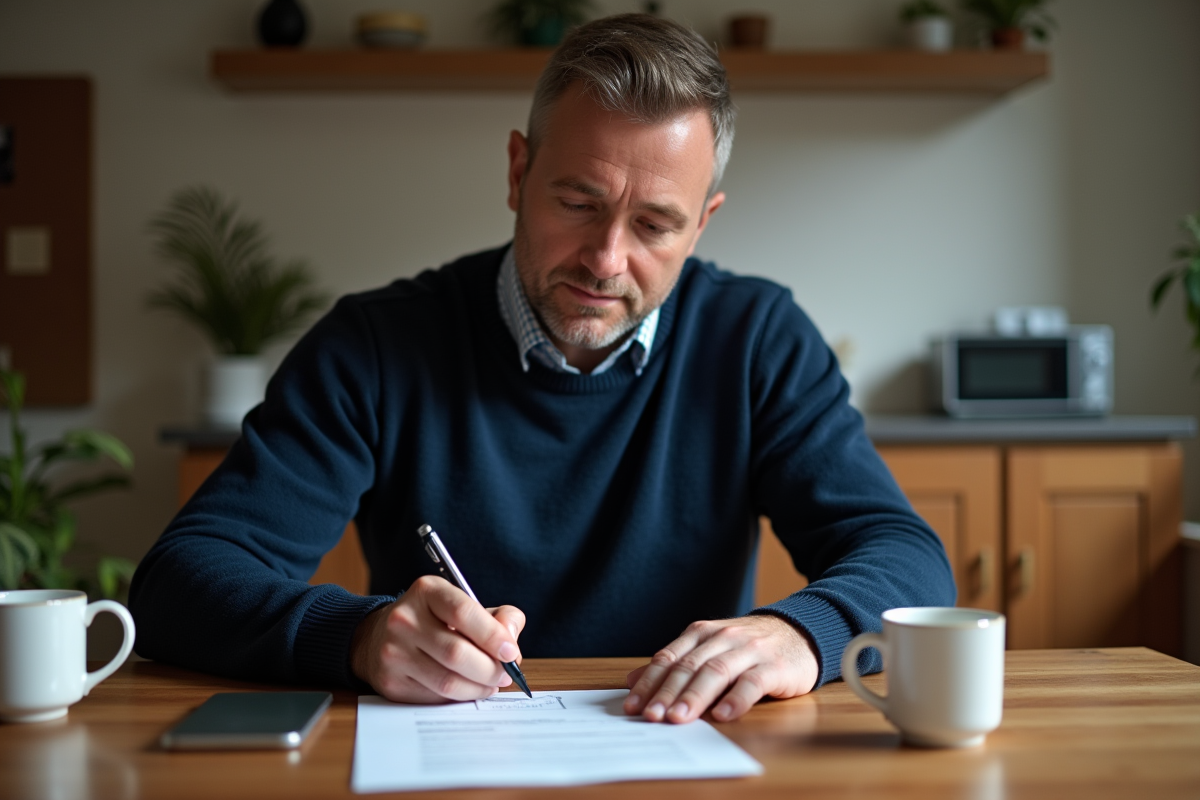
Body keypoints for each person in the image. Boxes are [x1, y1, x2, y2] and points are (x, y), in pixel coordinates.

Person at [129, 14, 954, 725]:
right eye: (579, 203)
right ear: (519, 172)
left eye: (656, 224)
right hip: (447, 760)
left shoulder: (757, 337)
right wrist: (358, 635)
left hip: (679, 753)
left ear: (702, 224)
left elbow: (908, 559)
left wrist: (803, 634)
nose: (606, 258)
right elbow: (180, 582)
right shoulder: (374, 346)